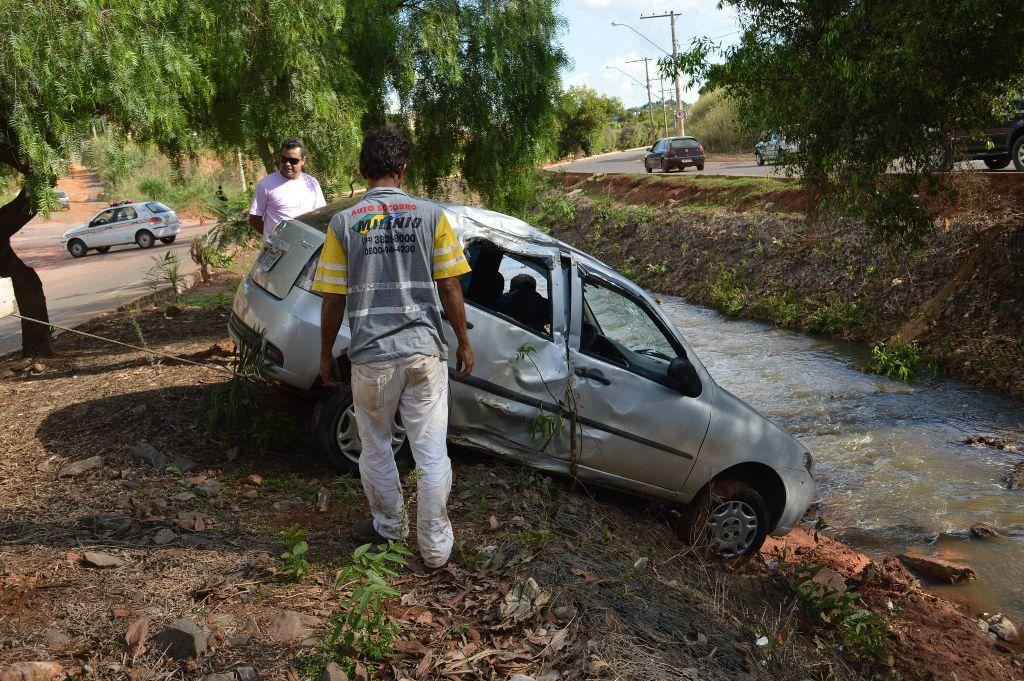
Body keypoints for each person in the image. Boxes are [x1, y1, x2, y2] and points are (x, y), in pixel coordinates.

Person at [314, 127, 473, 570]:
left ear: (363, 170)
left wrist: (326, 352)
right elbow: (450, 284)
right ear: (403, 169)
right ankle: (436, 549)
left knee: (377, 446)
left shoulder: (343, 223)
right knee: (430, 450)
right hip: (425, 352)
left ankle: (389, 528)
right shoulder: (431, 216)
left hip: (372, 358)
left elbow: (332, 297)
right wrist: (462, 340)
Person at [248, 138, 326, 240]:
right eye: (284, 159)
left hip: (306, 247)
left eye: (293, 161)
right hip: (278, 250)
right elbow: (254, 220)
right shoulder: (266, 184)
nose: (287, 164)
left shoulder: (312, 183)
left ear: (303, 160)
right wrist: (273, 238)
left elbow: (319, 215)